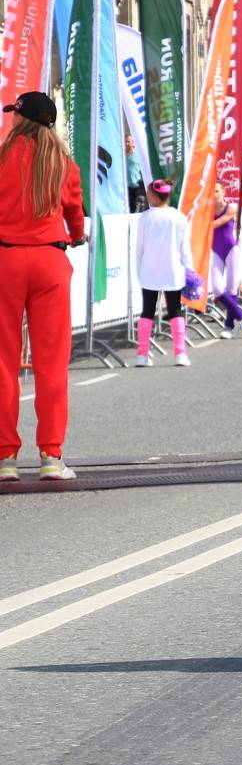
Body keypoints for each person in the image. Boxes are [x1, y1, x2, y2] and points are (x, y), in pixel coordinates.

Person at [0, 92, 85, 481]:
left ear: (22, 120)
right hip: (49, 261)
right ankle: (51, 455)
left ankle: (5, 458)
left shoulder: (2, 158)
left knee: (4, 363)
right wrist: (77, 235)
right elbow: (74, 211)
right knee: (51, 363)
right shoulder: (62, 163)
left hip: (5, 261)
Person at [135, 176, 197, 369]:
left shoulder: (144, 218)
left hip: (149, 271)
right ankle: (180, 353)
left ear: (155, 196)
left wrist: (139, 272)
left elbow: (139, 249)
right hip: (173, 270)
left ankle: (142, 355)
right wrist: (190, 270)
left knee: (147, 310)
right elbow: (185, 248)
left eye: (148, 193)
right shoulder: (178, 217)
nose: (147, 196)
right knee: (175, 310)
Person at [209, 182, 242, 340]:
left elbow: (216, 223)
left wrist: (204, 224)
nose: (214, 194)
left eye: (217, 191)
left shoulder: (231, 208)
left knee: (232, 289)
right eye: (211, 192)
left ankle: (228, 327)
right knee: (216, 288)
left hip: (231, 250)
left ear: (223, 192)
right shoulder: (207, 211)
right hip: (216, 251)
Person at [125, 131, 147, 212]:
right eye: (125, 141)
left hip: (137, 187)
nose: (126, 143)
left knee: (138, 209)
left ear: (133, 143)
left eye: (128, 141)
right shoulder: (122, 156)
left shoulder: (138, 155)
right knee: (130, 209)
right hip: (126, 188)